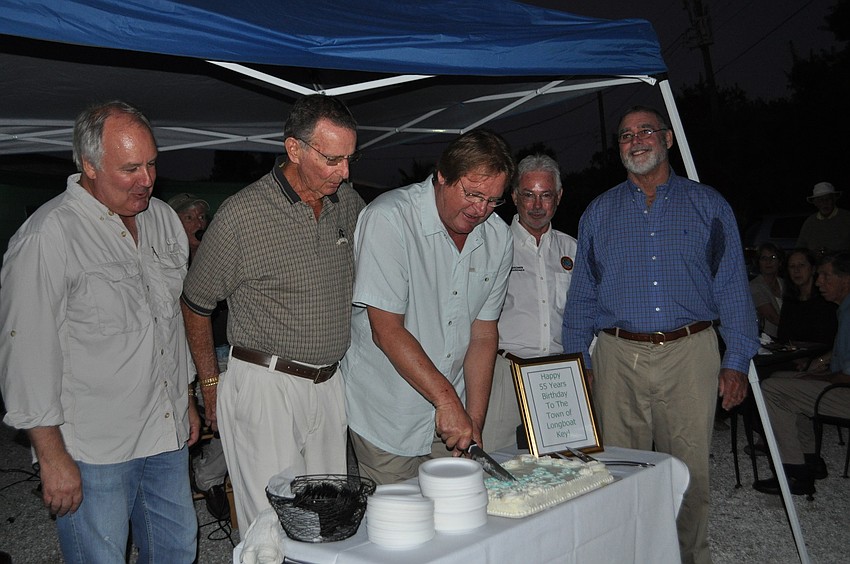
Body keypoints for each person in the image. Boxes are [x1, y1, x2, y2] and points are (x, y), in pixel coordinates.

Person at [0, 101, 198, 563]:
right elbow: (25, 356)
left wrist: (185, 398)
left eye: (151, 164)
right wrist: (51, 457)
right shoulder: (47, 236)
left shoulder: (164, 219)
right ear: (88, 165)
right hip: (95, 448)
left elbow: (168, 323)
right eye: (130, 168)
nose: (147, 180)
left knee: (177, 550)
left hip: (164, 432)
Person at [561, 105, 759, 564]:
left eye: (646, 131)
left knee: (688, 474)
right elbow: (582, 298)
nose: (636, 140)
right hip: (617, 355)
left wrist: (737, 362)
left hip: (690, 353)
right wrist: (578, 365)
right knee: (619, 470)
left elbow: (732, 288)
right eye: (626, 135)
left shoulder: (708, 205)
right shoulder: (599, 212)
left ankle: (690, 556)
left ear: (667, 139)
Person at [180, 94, 364, 529]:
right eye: (333, 159)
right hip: (267, 387)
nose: (346, 171)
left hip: (329, 384)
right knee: (271, 525)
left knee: (324, 519)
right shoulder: (242, 215)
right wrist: (209, 385)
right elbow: (195, 304)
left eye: (350, 158)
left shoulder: (349, 205)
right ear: (294, 149)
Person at [343, 129, 515, 485]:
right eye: (472, 194)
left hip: (453, 417)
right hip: (388, 414)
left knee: (458, 522)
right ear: (441, 176)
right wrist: (447, 401)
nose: (481, 210)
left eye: (493, 200)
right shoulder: (389, 219)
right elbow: (386, 329)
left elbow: (483, 334)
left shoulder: (498, 238)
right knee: (400, 529)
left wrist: (474, 419)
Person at [481, 153, 577, 451]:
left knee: (565, 462)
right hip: (506, 372)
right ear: (514, 196)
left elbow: (585, 313)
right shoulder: (492, 246)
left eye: (545, 195)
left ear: (558, 197)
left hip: (559, 376)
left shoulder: (573, 250)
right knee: (498, 460)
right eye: (528, 195)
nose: (537, 205)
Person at [753, 252, 850, 495]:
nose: (819, 282)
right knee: (777, 380)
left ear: (846, 279)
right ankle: (809, 460)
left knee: (773, 389)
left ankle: (795, 470)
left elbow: (846, 375)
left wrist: (818, 377)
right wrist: (822, 361)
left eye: (826, 277)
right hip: (837, 381)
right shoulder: (842, 309)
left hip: (844, 391)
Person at [167, 193, 230, 521]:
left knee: (243, 412)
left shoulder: (217, 255)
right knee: (231, 414)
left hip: (229, 350)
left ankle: (210, 471)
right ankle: (209, 476)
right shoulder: (170, 262)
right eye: (189, 217)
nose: (198, 223)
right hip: (189, 359)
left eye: (201, 217)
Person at [796, 181, 850, 254]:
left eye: (827, 199)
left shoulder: (846, 218)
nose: (825, 203)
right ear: (815, 203)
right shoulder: (810, 222)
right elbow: (800, 248)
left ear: (834, 200)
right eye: (820, 200)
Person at [749, 242, 785, 338]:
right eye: (764, 258)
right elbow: (771, 317)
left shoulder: (785, 284)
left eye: (773, 258)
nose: (768, 262)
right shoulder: (754, 286)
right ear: (758, 263)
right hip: (768, 340)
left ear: (780, 262)